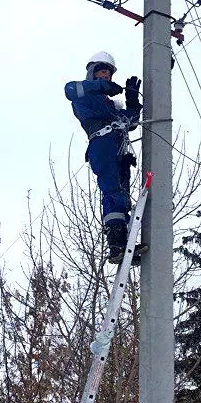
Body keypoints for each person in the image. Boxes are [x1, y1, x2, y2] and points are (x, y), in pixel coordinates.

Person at [64, 52, 144, 264]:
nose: (106, 77)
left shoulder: (110, 106)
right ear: (92, 72)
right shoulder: (84, 94)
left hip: (118, 148)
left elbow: (131, 122)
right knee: (114, 192)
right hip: (102, 144)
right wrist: (101, 87)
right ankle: (116, 243)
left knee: (118, 193)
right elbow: (69, 89)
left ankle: (121, 243)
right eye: (102, 72)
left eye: (108, 74)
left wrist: (132, 99)